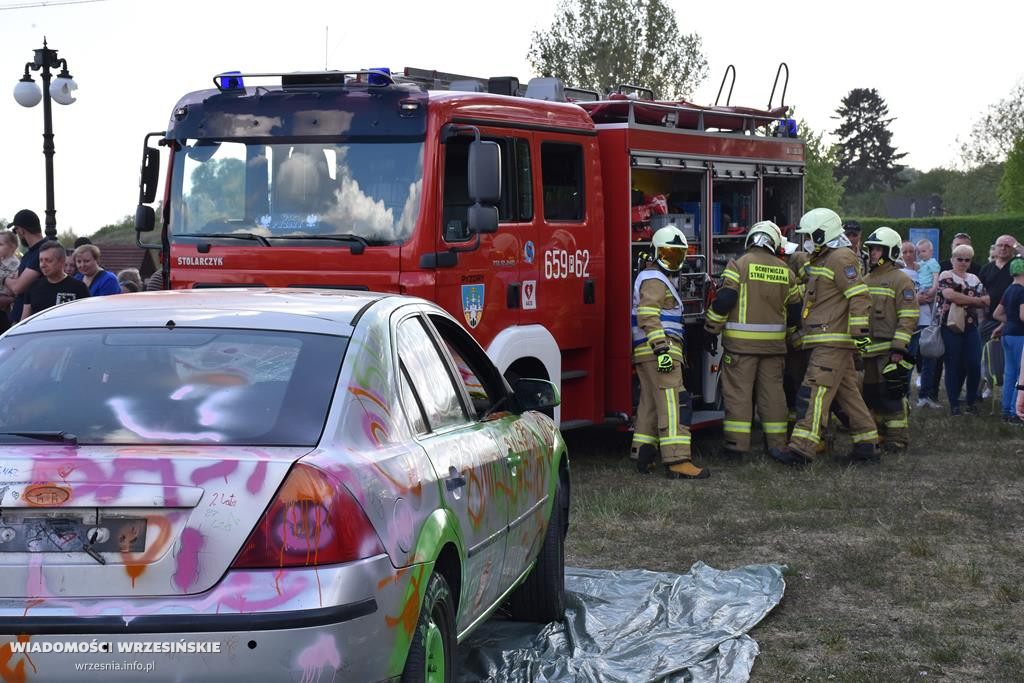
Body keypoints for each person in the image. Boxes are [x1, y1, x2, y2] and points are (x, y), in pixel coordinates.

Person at [776, 208, 878, 465]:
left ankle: (801, 450)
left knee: (815, 391)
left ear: (824, 234)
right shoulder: (824, 258)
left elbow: (859, 295)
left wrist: (859, 333)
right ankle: (867, 445)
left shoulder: (841, 258)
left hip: (831, 340)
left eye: (810, 235)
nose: (807, 241)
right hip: (826, 338)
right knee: (848, 395)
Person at [704, 221, 801, 457]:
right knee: (773, 395)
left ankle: (736, 446)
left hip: (741, 348)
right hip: (774, 349)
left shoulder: (739, 265)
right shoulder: (786, 272)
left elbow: (725, 300)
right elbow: (795, 312)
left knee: (739, 395)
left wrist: (711, 328)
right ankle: (776, 444)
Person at [631, 225, 708, 479]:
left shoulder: (653, 277)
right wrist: (662, 350)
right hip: (660, 350)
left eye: (678, 255)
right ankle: (677, 460)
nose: (673, 261)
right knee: (676, 401)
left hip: (647, 352)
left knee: (651, 403)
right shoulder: (655, 278)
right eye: (667, 254)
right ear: (654, 253)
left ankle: (643, 454)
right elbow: (648, 315)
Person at [861, 228, 919, 451]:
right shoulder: (866, 279)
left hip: (888, 351)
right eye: (871, 249)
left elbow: (909, 316)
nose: (872, 253)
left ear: (891, 252)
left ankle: (897, 438)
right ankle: (878, 433)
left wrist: (899, 348)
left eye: (877, 249)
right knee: (871, 394)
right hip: (868, 351)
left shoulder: (901, 280)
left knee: (891, 394)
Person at [936, 244, 989, 415]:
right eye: (960, 259)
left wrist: (964, 298)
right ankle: (954, 404)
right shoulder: (946, 274)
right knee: (953, 365)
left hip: (971, 326)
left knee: (974, 364)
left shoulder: (974, 278)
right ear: (952, 259)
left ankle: (970, 401)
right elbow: (949, 295)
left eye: (967, 260)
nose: (963, 262)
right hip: (950, 326)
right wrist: (975, 300)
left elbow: (987, 299)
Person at [0, 209, 47, 323]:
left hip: (31, 320)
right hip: (21, 317)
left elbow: (18, 287)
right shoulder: (30, 253)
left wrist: (5, 279)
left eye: (15, 230)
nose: (17, 234)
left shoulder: (43, 251)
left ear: (21, 230)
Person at [993, 257, 1024, 422]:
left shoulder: (1009, 290)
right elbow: (1023, 316)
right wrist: (1015, 320)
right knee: (1021, 374)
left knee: (1010, 373)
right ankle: (1015, 413)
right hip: (1020, 336)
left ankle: (1006, 410)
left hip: (1007, 335)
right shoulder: (1022, 291)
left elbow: (997, 314)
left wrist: (1011, 320)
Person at [22, 241, 90, 317]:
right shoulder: (33, 287)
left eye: (48, 260)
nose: (43, 265)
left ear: (62, 262)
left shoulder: (79, 288)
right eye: (41, 260)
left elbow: (87, 317)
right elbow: (25, 319)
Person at [978, 235, 1024, 344]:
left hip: (1014, 321)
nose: (1003, 248)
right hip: (990, 320)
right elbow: (979, 293)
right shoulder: (986, 269)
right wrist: (981, 320)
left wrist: (1017, 245)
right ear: (995, 247)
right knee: (987, 353)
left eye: (1007, 246)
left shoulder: (1018, 264)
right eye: (1000, 245)